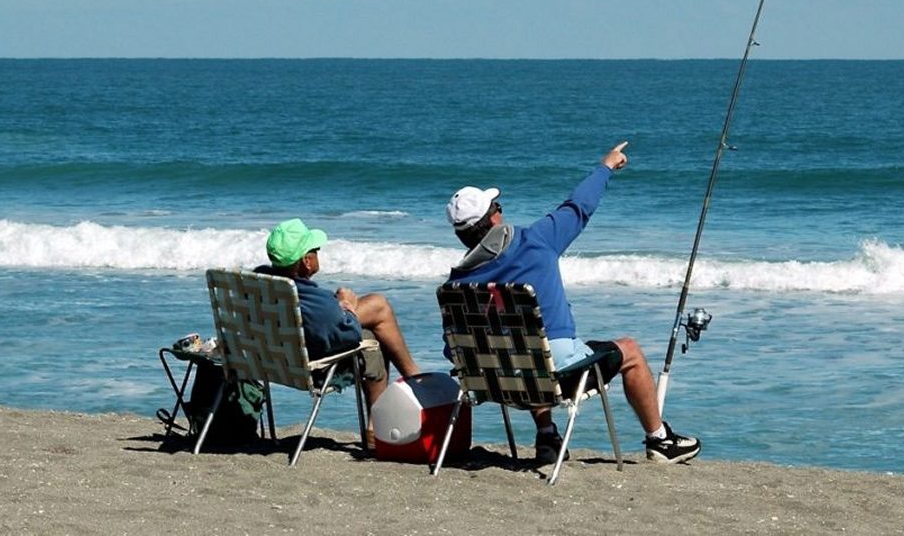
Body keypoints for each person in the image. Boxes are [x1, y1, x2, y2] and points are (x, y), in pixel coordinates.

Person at [444, 141, 701, 465]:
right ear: (494, 220)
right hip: (553, 380)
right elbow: (579, 207)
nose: (501, 210)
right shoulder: (536, 242)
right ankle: (660, 439)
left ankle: (546, 432)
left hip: (493, 385)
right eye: (498, 207)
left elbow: (451, 349)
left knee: (523, 347)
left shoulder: (456, 285)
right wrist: (606, 166)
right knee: (629, 350)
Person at [254, 218, 421, 416]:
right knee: (373, 328)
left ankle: (411, 381)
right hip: (314, 367)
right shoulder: (317, 304)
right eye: (315, 250)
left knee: (376, 310)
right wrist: (347, 305)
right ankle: (414, 381)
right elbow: (350, 334)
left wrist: (337, 306)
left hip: (272, 362)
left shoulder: (261, 283)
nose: (318, 253)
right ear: (307, 262)